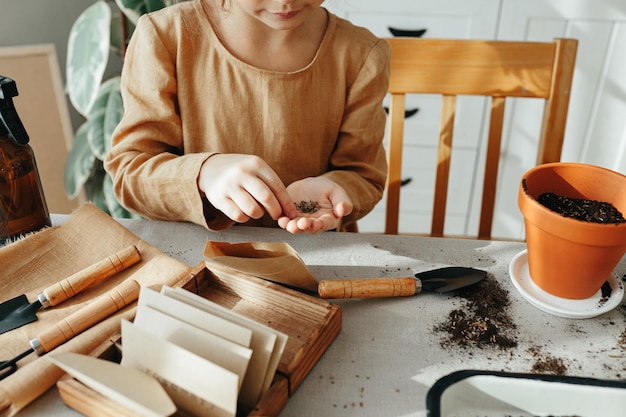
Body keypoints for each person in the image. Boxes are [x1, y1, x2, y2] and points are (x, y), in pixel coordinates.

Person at [104, 0, 390, 234]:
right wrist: (203, 173)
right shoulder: (165, 36)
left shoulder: (362, 54)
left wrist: (337, 188)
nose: (285, 1)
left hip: (315, 261)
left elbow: (364, 174)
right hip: (194, 265)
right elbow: (132, 172)